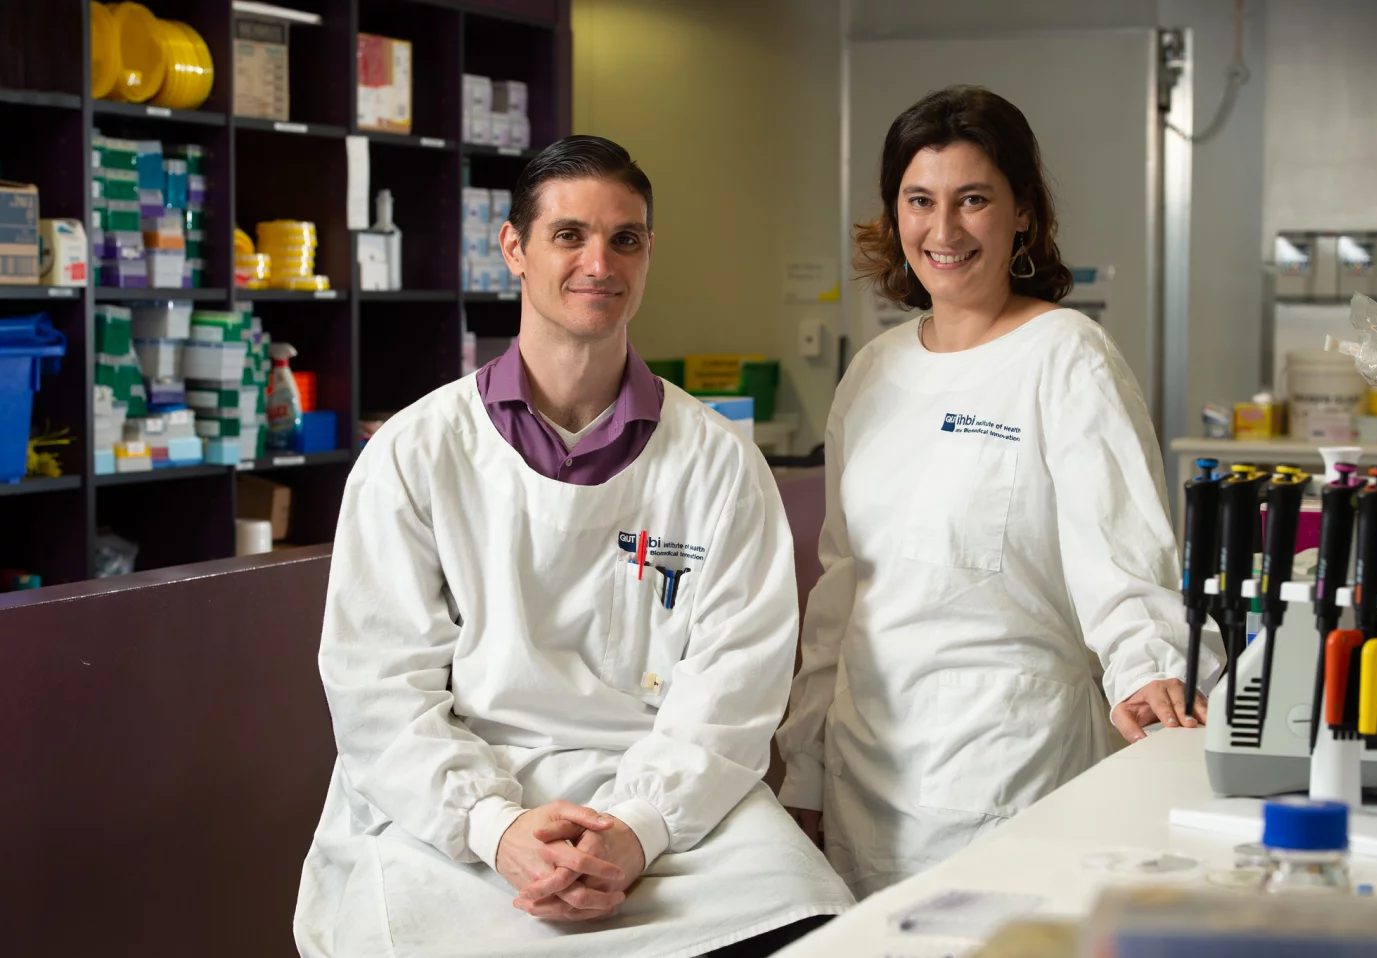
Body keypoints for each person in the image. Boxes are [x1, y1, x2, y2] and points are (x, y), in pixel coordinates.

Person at [294, 135, 853, 958]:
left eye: (624, 238)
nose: (600, 262)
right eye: (569, 236)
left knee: (818, 927)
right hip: (464, 801)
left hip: (664, 794)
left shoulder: (716, 460)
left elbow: (737, 683)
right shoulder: (417, 453)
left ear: (648, 252)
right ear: (514, 248)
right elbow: (379, 687)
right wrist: (496, 827)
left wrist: (635, 828)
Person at [775, 86, 1223, 899]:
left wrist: (1153, 673)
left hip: (1017, 769)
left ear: (1023, 213)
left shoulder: (1065, 355)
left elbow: (1123, 559)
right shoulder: (872, 372)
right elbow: (841, 590)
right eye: (920, 201)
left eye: (973, 199)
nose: (942, 231)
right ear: (894, 214)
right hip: (867, 775)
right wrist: (803, 767)